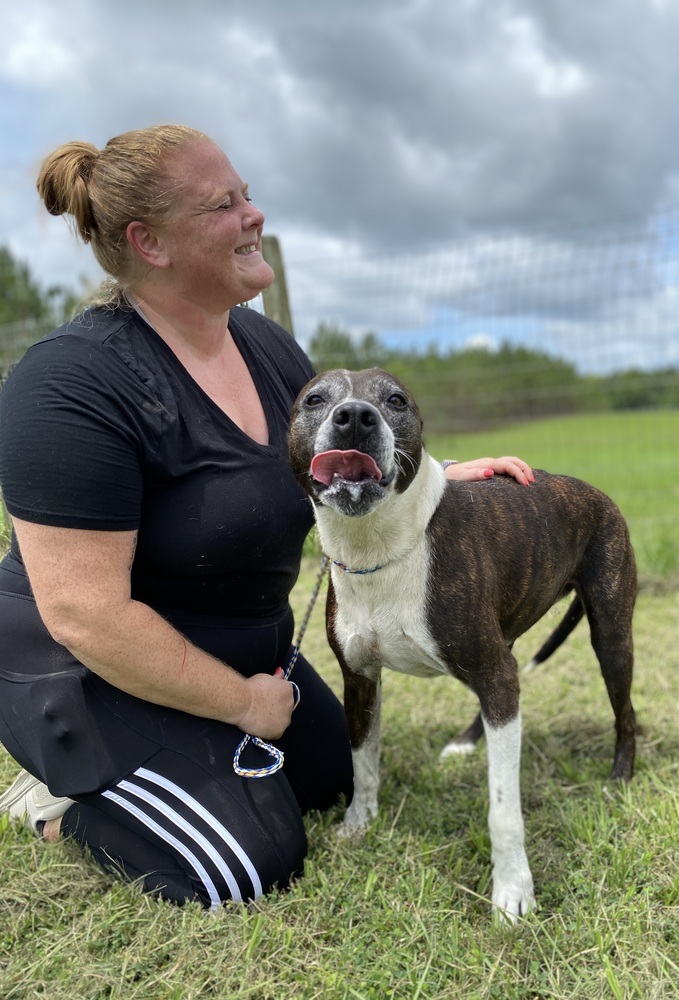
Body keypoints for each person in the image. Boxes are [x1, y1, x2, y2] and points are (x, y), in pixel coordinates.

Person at [0, 124, 534, 909]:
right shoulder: (69, 386)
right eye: (225, 204)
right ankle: (59, 808)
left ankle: (183, 759)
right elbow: (87, 615)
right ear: (151, 242)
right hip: (86, 673)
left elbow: (330, 457)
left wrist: (438, 476)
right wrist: (247, 706)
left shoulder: (265, 345)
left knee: (324, 781)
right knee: (250, 863)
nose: (254, 215)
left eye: (246, 194)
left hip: (241, 648)